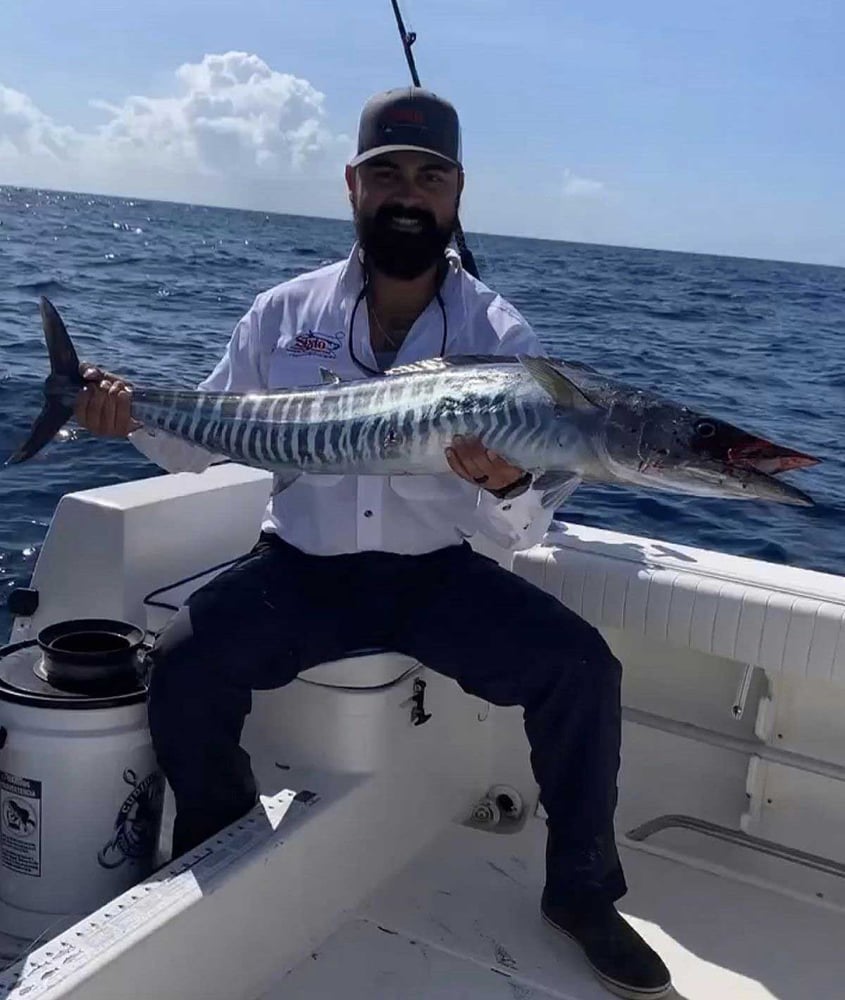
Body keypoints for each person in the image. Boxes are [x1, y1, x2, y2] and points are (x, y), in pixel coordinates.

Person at [73, 87, 672, 999]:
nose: (407, 193)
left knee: (582, 670)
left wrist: (508, 484)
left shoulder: (499, 336)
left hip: (437, 575)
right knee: (186, 664)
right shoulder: (281, 313)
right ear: (353, 185)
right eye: (386, 172)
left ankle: (583, 893)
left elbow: (528, 516)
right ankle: (221, 836)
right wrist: (125, 418)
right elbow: (203, 432)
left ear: (456, 194)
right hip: (302, 569)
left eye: (428, 177)